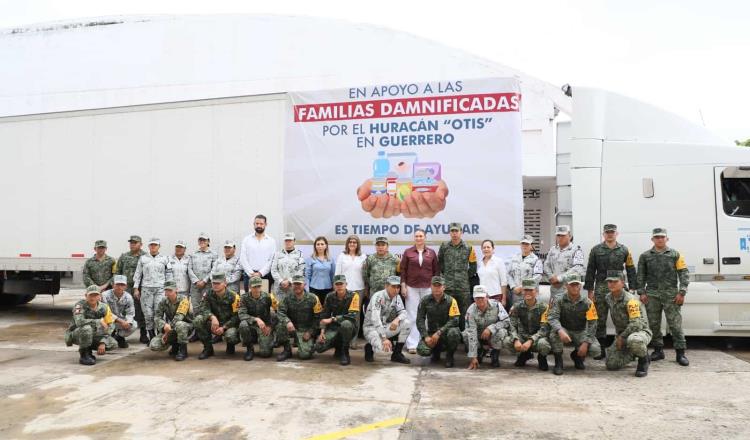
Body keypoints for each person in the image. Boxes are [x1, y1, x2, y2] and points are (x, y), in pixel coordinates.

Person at [637, 227, 690, 366]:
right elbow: (640, 275)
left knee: (675, 325)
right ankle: (658, 350)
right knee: (654, 324)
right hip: (652, 295)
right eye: (657, 237)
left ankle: (680, 353)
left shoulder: (675, 254)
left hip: (671, 295)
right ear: (652, 239)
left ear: (667, 238)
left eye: (662, 237)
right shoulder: (645, 256)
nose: (659, 239)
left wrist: (682, 292)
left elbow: (684, 273)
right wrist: (642, 292)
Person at [583, 224, 637, 358]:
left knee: (622, 318)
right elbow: (590, 270)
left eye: (612, 232)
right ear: (604, 234)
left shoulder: (624, 250)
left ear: (616, 234)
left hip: (619, 288)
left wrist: (632, 287)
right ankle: (600, 349)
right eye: (607, 232)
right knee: (599, 319)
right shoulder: (596, 250)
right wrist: (590, 290)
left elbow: (630, 268)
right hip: (601, 287)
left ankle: (624, 346)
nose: (610, 234)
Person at [547, 274, 601, 375]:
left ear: (580, 286)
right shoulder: (559, 300)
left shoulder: (587, 303)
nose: (575, 287)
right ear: (566, 286)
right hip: (565, 329)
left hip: (580, 331)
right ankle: (558, 362)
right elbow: (552, 317)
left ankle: (577, 357)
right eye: (572, 285)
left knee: (596, 350)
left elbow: (593, 324)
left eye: (577, 285)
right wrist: (560, 330)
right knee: (554, 334)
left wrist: (586, 343)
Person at [605, 271, 652, 377]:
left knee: (634, 340)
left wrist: (621, 337)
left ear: (622, 283)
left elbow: (636, 324)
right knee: (611, 364)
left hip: (639, 332)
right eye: (609, 281)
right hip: (623, 334)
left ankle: (643, 360)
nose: (611, 284)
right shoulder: (608, 298)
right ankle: (634, 352)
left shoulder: (631, 300)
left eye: (615, 281)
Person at [400, 229, 440, 353]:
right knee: (412, 315)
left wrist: (435, 288)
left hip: (428, 287)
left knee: (427, 315)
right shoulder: (408, 252)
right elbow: (403, 270)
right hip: (411, 287)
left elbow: (436, 271)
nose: (418, 238)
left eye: (421, 236)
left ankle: (425, 343)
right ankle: (412, 344)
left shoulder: (432, 253)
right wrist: (403, 286)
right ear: (414, 238)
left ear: (425, 238)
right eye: (416, 236)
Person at [64, 285, 117, 365]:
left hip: (94, 334)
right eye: (90, 295)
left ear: (99, 296)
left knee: (113, 343)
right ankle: (84, 354)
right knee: (86, 329)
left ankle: (89, 349)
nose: (93, 298)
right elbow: (79, 322)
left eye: (95, 295)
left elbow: (110, 325)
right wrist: (98, 321)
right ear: (86, 296)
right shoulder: (80, 305)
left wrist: (103, 342)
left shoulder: (104, 307)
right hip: (77, 333)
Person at [362, 275, 411, 364]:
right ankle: (369, 347)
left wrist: (397, 320)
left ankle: (397, 354)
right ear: (386, 286)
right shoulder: (378, 296)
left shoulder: (397, 297)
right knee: (382, 350)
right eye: (393, 287)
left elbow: (404, 312)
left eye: (398, 287)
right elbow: (375, 319)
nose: (396, 290)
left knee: (407, 323)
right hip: (371, 328)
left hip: (384, 326)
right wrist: (384, 338)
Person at [416, 276, 462, 368]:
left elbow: (454, 320)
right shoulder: (425, 300)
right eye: (434, 286)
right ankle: (435, 352)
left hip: (446, 333)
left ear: (444, 287)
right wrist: (425, 337)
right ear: (431, 287)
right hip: (432, 333)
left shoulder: (451, 300)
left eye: (439, 286)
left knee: (454, 333)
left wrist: (439, 332)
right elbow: (420, 319)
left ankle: (449, 356)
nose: (437, 288)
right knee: (422, 350)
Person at [438, 222, 477, 330]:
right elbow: (440, 263)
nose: (454, 234)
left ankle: (464, 339)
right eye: (452, 231)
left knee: (465, 314)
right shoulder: (444, 246)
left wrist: (463, 276)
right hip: (448, 287)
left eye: (457, 231)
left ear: (461, 232)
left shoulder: (469, 247)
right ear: (450, 233)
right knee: (447, 313)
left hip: (463, 288)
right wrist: (447, 276)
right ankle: (449, 339)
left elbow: (473, 267)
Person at [314, 274, 360, 366]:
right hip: (334, 327)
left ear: (346, 284)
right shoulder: (330, 296)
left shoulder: (354, 295)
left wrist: (333, 319)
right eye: (337, 284)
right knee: (319, 347)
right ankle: (338, 347)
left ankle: (345, 351)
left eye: (341, 284)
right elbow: (324, 316)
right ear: (334, 285)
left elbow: (352, 315)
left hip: (350, 326)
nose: (339, 286)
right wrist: (322, 332)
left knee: (346, 324)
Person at [275, 275, 323, 362]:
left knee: (304, 355)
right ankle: (287, 350)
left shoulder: (313, 298)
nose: (297, 286)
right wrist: (287, 322)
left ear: (304, 285)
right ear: (291, 285)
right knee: (280, 325)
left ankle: (306, 343)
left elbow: (318, 317)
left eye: (299, 284)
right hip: (292, 327)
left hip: (306, 329)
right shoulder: (287, 298)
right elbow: (280, 312)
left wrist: (310, 332)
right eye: (295, 284)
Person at [133, 238, 173, 342]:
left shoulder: (165, 258)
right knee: (148, 314)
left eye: (155, 245)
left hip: (160, 289)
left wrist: (169, 289)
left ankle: (160, 334)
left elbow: (169, 274)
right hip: (146, 289)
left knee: (158, 312)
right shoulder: (143, 258)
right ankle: (151, 335)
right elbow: (138, 274)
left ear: (159, 246)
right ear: (148, 246)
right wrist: (136, 288)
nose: (153, 247)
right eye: (151, 245)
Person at [194, 272, 241, 359]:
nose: (215, 285)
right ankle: (208, 348)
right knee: (198, 320)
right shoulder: (208, 294)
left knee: (231, 336)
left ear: (225, 284)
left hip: (229, 325)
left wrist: (224, 327)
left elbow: (237, 316)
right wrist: (212, 317)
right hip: (214, 323)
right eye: (213, 283)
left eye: (218, 283)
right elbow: (203, 309)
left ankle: (230, 344)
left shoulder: (234, 296)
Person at [508, 279, 551, 371]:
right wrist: (515, 339)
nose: (528, 292)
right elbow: (512, 325)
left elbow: (544, 329)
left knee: (544, 344)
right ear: (522, 291)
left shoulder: (544, 307)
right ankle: (525, 354)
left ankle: (542, 358)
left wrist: (531, 340)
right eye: (525, 290)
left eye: (530, 290)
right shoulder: (517, 306)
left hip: (538, 337)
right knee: (507, 341)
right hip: (523, 336)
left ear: (536, 292)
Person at [464, 285, 510, 370]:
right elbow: (471, 333)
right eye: (477, 298)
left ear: (487, 296)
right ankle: (479, 352)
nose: (480, 300)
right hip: (478, 335)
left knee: (501, 332)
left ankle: (494, 354)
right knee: (466, 335)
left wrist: (491, 328)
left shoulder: (497, 305)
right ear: (474, 299)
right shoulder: (470, 311)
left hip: (493, 334)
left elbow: (506, 321)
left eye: (482, 297)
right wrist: (473, 357)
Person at [362, 236, 400, 340]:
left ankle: (390, 340)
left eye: (383, 245)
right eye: (378, 245)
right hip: (374, 294)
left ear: (387, 246)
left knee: (390, 318)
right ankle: (373, 340)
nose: (380, 247)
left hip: (390, 295)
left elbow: (399, 274)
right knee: (374, 317)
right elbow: (365, 275)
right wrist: (367, 288)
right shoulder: (370, 259)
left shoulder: (394, 259)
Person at [335, 235, 366, 348]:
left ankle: (353, 340)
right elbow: (337, 274)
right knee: (343, 314)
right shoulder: (342, 256)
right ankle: (343, 339)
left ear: (358, 244)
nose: (352, 244)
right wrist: (337, 288)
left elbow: (365, 274)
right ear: (347, 244)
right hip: (344, 289)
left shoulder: (362, 257)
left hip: (359, 289)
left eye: (354, 242)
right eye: (350, 242)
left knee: (356, 316)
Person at [150, 280, 193, 361]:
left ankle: (183, 350)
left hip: (187, 327)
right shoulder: (163, 301)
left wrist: (167, 332)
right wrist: (164, 325)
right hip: (172, 328)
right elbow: (157, 317)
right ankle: (175, 346)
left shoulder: (184, 299)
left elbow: (179, 317)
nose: (168, 292)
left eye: (170, 290)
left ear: (176, 290)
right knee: (154, 345)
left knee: (179, 324)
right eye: (166, 290)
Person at [116, 235, 148, 343]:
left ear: (141, 244)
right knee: (122, 310)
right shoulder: (124, 256)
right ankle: (120, 335)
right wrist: (117, 286)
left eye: (135, 242)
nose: (132, 244)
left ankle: (143, 333)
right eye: (131, 242)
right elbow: (117, 271)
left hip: (139, 288)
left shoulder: (145, 256)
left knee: (141, 311)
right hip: (125, 288)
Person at [238, 276, 278, 360]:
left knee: (265, 354)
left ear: (261, 286)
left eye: (258, 286)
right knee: (243, 324)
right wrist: (256, 319)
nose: (256, 289)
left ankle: (263, 339)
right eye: (254, 287)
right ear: (249, 287)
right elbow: (241, 314)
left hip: (264, 326)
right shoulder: (244, 298)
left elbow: (277, 313)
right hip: (251, 324)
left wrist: (270, 327)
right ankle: (249, 348)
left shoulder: (268, 297)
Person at [543, 225, 585, 298]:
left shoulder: (576, 250)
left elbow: (578, 268)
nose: (560, 238)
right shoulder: (553, 250)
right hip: (555, 288)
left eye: (563, 235)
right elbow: (546, 265)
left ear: (569, 236)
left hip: (569, 289)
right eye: (558, 235)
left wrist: (559, 278)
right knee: (554, 308)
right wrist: (551, 277)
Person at [239, 214, 277, 293]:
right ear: (254, 224)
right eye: (257, 223)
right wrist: (251, 273)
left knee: (265, 301)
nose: (259, 225)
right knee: (249, 300)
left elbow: (271, 260)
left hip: (265, 275)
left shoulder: (271, 241)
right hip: (249, 275)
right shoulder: (246, 240)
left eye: (261, 224)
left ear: (265, 224)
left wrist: (260, 273)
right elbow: (243, 258)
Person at [507, 235, 543, 309]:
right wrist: (513, 287)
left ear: (531, 246)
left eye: (527, 244)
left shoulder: (536, 260)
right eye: (523, 244)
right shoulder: (514, 258)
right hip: (516, 294)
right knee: (516, 314)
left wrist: (522, 287)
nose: (524, 246)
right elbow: (508, 274)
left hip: (530, 294)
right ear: (520, 245)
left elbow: (537, 277)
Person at [101, 275, 137, 348]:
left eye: (122, 285)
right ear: (113, 285)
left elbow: (130, 313)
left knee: (133, 325)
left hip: (120, 321)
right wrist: (120, 321)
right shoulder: (105, 295)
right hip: (107, 320)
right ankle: (109, 337)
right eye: (117, 284)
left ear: (125, 286)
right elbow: (105, 312)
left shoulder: (128, 297)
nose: (119, 287)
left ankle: (119, 337)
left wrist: (128, 322)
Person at [271, 232, 306, 302]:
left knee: (293, 308)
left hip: (293, 287)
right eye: (286, 240)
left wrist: (289, 281)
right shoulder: (277, 254)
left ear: (294, 241)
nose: (288, 242)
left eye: (290, 240)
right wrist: (281, 281)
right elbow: (273, 270)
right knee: (279, 308)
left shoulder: (300, 254)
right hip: (279, 288)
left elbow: (301, 270)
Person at [188, 232, 218, 309]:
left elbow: (214, 269)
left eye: (204, 240)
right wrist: (196, 281)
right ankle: (197, 321)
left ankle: (207, 321)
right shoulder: (193, 254)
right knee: (196, 306)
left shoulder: (213, 254)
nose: (202, 241)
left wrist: (204, 281)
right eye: (200, 240)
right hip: (195, 286)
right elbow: (189, 269)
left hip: (207, 285)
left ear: (208, 241)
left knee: (207, 306)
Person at [476, 239, 509, 306]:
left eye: (488, 247)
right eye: (484, 247)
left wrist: (504, 298)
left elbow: (504, 281)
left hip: (496, 296)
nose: (486, 249)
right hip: (483, 297)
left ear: (493, 249)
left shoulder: (499, 261)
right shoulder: (480, 263)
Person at [305, 236, 335, 304]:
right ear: (315, 246)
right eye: (318, 244)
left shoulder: (330, 259)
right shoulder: (310, 259)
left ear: (326, 246)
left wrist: (334, 289)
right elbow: (307, 276)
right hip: (314, 289)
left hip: (328, 289)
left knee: (326, 310)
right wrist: (307, 290)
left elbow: (332, 275)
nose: (320, 246)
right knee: (315, 310)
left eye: (322, 244)